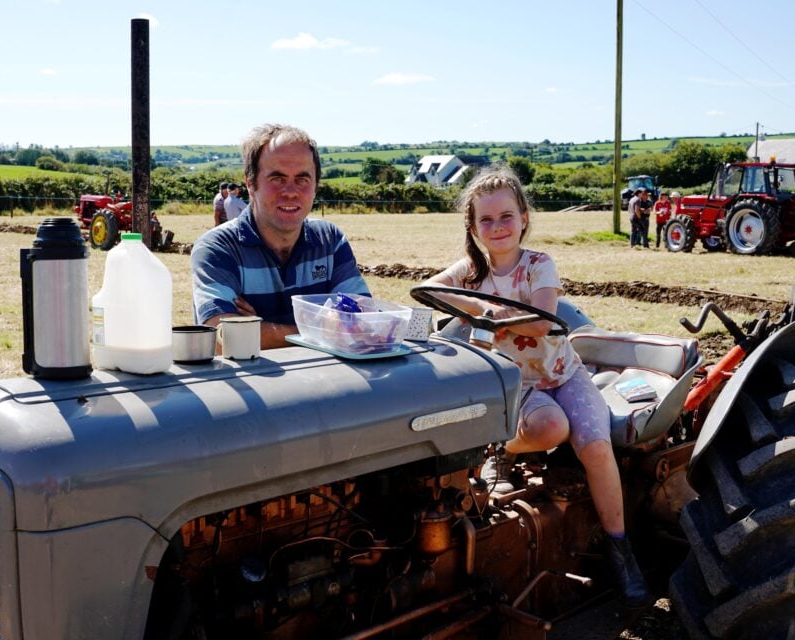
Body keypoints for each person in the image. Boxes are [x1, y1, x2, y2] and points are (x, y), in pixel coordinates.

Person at [422, 167, 651, 607]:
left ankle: (621, 548)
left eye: (506, 216)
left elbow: (544, 319)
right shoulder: (471, 270)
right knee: (550, 430)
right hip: (514, 385)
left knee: (596, 446)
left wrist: (481, 313)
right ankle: (504, 451)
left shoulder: (538, 265)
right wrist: (474, 303)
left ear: (524, 218)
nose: (497, 227)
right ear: (472, 228)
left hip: (564, 374)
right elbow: (432, 290)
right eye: (485, 221)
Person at [191, 124, 370, 349]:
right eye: (277, 178)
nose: (290, 191)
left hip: (326, 381)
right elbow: (224, 338)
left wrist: (259, 328)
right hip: (253, 383)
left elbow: (362, 322)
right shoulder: (217, 248)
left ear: (315, 185)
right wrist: (324, 325)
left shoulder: (330, 240)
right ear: (250, 183)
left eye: (302, 179)